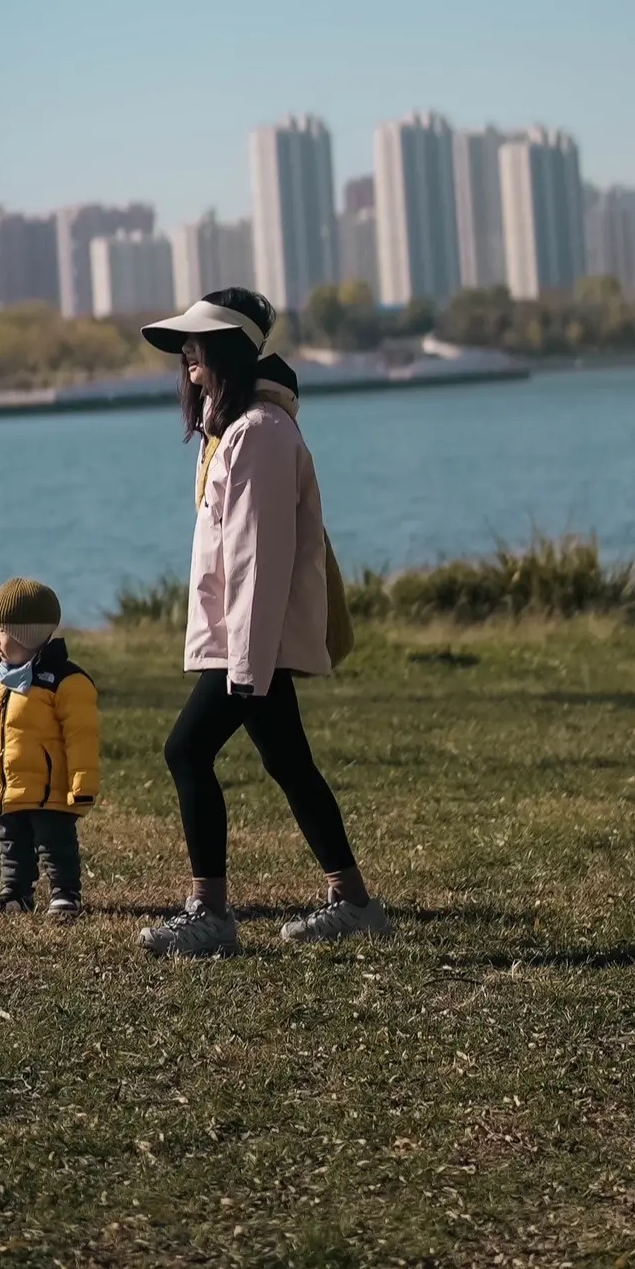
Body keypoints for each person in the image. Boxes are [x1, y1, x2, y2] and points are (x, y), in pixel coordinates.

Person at [136, 286, 390, 957]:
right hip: (246, 641)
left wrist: (244, 663)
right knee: (289, 762)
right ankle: (355, 902)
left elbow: (258, 556)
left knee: (186, 751)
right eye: (184, 341)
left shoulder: (258, 433)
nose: (187, 350)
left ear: (232, 348)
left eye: (200, 339)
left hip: (249, 643)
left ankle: (210, 914)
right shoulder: (234, 428)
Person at [0, 578, 100, 918]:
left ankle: (65, 895)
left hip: (50, 790)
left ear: (27, 634)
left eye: (2, 630)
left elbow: (81, 736)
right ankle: (14, 895)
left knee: (55, 843)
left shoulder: (65, 681)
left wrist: (82, 784)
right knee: (11, 845)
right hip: (5, 788)